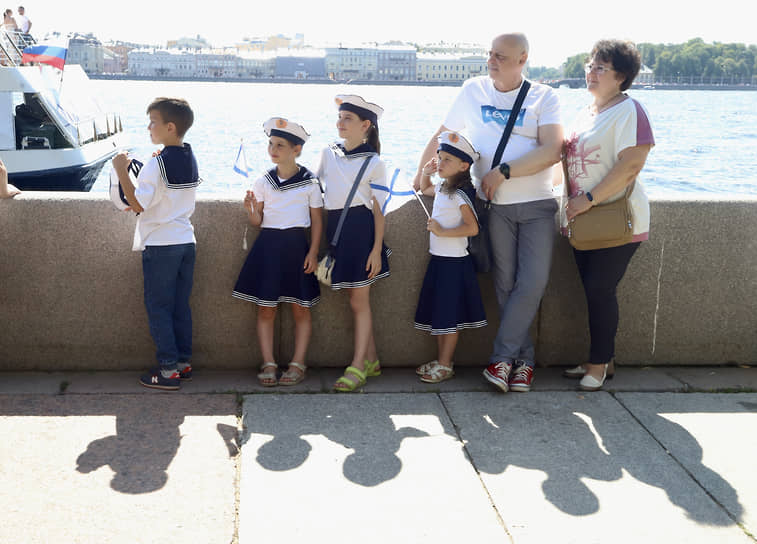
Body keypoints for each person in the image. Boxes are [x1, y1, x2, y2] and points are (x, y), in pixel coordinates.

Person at [413, 33, 563, 393]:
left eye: (500, 56)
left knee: (533, 282)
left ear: (522, 59)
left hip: (537, 204)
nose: (491, 61)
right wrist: (421, 173)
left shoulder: (545, 97)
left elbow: (554, 149)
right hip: (492, 207)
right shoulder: (473, 90)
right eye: (489, 54)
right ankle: (521, 365)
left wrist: (503, 172)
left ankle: (501, 357)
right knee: (504, 284)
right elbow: (444, 133)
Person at [561, 40, 654, 391]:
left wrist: (588, 198)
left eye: (601, 67)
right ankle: (603, 358)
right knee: (591, 290)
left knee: (600, 290)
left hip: (618, 218)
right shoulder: (586, 112)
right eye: (590, 64)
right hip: (582, 220)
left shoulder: (630, 110)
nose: (591, 71)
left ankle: (597, 365)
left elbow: (631, 165)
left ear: (622, 76)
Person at [112, 97, 200, 391]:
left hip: (161, 245)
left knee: (159, 307)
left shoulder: (155, 163)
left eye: (153, 122)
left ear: (170, 127)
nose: (149, 127)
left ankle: (167, 371)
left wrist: (122, 170)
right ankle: (183, 364)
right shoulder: (189, 156)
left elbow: (137, 204)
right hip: (186, 240)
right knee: (180, 306)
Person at [232, 117, 323, 387]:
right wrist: (251, 210)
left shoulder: (309, 182)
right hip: (268, 250)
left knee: (300, 309)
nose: (273, 149)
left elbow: (317, 220)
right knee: (266, 309)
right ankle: (268, 362)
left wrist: (314, 252)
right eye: (271, 144)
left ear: (297, 149)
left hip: (297, 249)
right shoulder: (263, 181)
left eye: (280, 145)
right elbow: (257, 222)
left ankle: (298, 363)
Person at [316, 94, 391, 392]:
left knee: (359, 302)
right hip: (336, 231)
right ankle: (371, 360)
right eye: (340, 117)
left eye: (348, 118)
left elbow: (379, 210)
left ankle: (358, 365)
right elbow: (312, 184)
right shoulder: (327, 153)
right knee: (354, 300)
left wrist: (376, 249)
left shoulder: (375, 162)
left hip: (361, 234)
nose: (340, 123)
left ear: (366, 125)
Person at [414, 131, 487, 383]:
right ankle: (440, 359)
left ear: (464, 166)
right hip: (439, 259)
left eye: (447, 160)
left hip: (454, 262)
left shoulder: (461, 194)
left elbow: (472, 228)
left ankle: (446, 364)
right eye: (440, 157)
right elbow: (424, 188)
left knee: (449, 315)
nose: (440, 163)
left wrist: (443, 231)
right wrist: (426, 170)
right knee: (440, 312)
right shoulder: (445, 188)